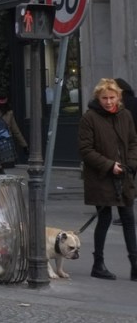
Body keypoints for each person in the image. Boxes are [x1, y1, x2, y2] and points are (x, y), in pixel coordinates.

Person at [77, 78, 137, 280]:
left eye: (112, 98)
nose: (109, 102)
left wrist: (130, 163)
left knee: (128, 218)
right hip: (101, 177)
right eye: (105, 98)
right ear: (98, 98)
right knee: (105, 218)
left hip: (124, 175)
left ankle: (135, 265)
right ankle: (98, 264)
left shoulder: (125, 115)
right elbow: (86, 149)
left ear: (119, 98)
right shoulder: (90, 118)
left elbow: (132, 142)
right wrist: (110, 165)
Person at [0, 89, 27, 154]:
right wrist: (24, 145)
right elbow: (16, 131)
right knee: (6, 160)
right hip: (6, 142)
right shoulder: (9, 113)